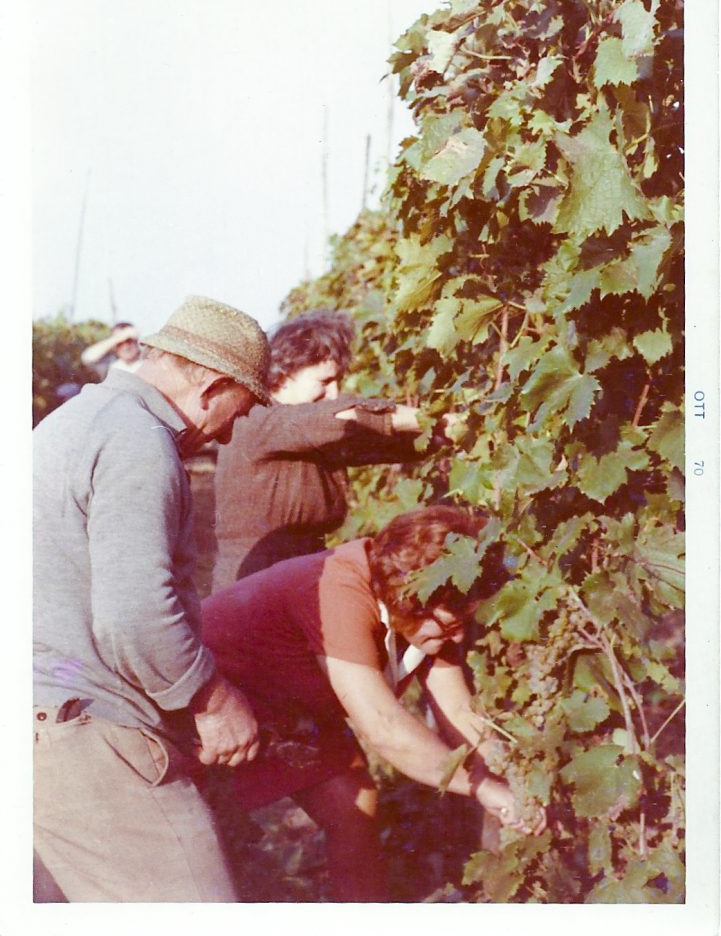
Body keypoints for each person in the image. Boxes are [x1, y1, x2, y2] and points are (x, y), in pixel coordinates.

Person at [33, 295, 271, 902]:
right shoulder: (138, 440)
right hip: (87, 736)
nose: (234, 429)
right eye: (240, 410)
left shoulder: (76, 420)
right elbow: (135, 615)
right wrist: (212, 701)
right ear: (213, 388)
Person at [201, 505, 546, 902]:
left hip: (286, 709)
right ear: (409, 599)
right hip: (210, 704)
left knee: (353, 799)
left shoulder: (426, 611)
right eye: (450, 625)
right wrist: (482, 787)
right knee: (211, 842)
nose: (456, 637)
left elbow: (459, 711)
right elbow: (385, 729)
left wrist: (512, 776)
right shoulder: (340, 591)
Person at [213, 308, 457, 585]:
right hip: (255, 578)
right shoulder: (259, 420)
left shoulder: (306, 429)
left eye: (338, 381)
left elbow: (372, 443)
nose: (334, 393)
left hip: (298, 569)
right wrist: (431, 420)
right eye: (325, 381)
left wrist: (439, 438)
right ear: (285, 372)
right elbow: (347, 416)